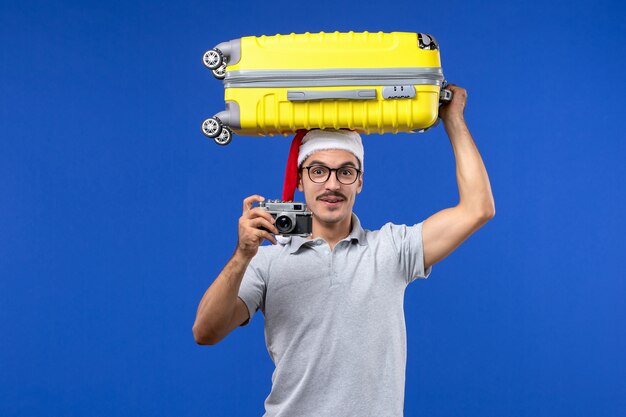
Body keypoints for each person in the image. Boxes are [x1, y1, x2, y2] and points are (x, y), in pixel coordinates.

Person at [193, 84, 495, 416]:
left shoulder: (392, 249)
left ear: (360, 181)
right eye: (318, 171)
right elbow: (205, 332)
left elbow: (478, 208)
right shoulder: (267, 260)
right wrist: (242, 255)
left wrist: (453, 118)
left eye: (346, 172)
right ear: (300, 180)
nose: (332, 184)